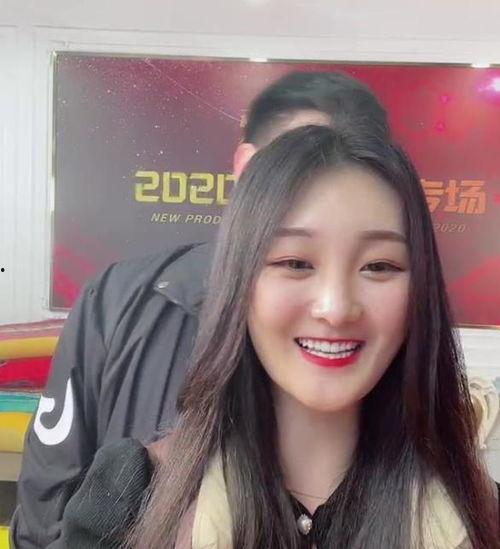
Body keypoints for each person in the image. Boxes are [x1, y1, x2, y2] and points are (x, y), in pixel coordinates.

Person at [60, 125, 499, 548]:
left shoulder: (481, 514)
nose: (335, 308)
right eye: (295, 263)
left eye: (379, 266)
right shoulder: (130, 495)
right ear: (239, 281)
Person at [11, 71, 391, 548]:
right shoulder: (120, 299)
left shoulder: (389, 328)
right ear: (246, 168)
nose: (333, 308)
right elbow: (49, 492)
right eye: (294, 167)